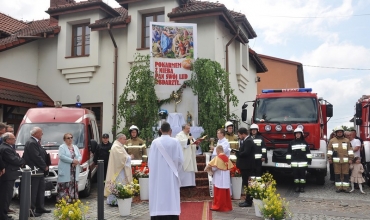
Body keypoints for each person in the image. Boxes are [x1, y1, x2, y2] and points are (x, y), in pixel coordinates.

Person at [149, 122, 184, 220]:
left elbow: (150, 162)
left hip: (158, 176)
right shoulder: (175, 142)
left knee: (158, 195)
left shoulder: (154, 142)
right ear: (170, 131)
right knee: (171, 197)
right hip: (171, 175)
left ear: (160, 130)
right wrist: (176, 170)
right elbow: (181, 159)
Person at [22, 127, 51, 216]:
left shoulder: (36, 142)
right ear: (35, 134)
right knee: (34, 191)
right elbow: (36, 156)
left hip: (39, 171)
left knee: (40, 189)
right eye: (41, 133)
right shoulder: (31, 142)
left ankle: (40, 207)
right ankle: (31, 210)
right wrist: (44, 165)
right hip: (35, 170)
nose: (42, 134)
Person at [0, 132, 24, 220]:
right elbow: (14, 160)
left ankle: (4, 213)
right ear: (7, 140)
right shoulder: (5, 148)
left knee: (7, 195)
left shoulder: (9, 147)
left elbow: (17, 156)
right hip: (7, 175)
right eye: (13, 138)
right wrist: (21, 161)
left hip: (10, 174)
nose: (15, 140)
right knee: (6, 195)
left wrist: (20, 160)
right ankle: (3, 215)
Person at [105, 134, 134, 205]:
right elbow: (121, 158)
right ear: (120, 139)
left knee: (121, 184)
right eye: (124, 139)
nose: (126, 140)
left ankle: (122, 199)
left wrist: (128, 157)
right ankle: (116, 201)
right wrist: (129, 157)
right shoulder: (116, 147)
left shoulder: (119, 146)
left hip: (120, 169)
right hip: (118, 171)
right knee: (118, 184)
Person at [205, 145, 233, 212]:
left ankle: (218, 206)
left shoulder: (218, 158)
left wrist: (210, 169)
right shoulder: (226, 158)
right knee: (226, 192)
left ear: (218, 151)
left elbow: (214, 167)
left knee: (219, 193)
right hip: (225, 178)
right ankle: (227, 206)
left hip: (219, 178)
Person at [327, 126, 354, 193]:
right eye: (338, 132)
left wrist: (351, 158)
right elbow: (329, 150)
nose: (339, 133)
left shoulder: (347, 140)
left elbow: (350, 150)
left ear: (343, 133)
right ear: (336, 133)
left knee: (345, 174)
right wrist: (330, 158)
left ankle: (345, 188)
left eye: (341, 132)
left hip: (346, 161)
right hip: (336, 161)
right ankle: (338, 188)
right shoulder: (332, 140)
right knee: (337, 174)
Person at [56, 133, 82, 203]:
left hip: (74, 171)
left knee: (73, 186)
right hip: (66, 171)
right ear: (64, 139)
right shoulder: (62, 147)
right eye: (68, 138)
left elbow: (79, 156)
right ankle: (64, 203)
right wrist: (72, 161)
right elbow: (62, 156)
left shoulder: (75, 147)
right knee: (65, 187)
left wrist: (77, 162)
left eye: (71, 137)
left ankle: (73, 202)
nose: (70, 139)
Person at [286, 128, 312, 193]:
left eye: (299, 134)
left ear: (301, 135)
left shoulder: (305, 143)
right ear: (295, 135)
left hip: (303, 163)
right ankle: (297, 187)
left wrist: (309, 160)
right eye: (296, 134)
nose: (298, 135)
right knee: (296, 176)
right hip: (294, 163)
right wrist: (288, 160)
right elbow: (289, 152)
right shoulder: (291, 143)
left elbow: (308, 152)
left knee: (303, 176)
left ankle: (302, 187)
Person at [234, 127, 255, 207]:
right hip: (245, 165)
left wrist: (238, 153)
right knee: (246, 183)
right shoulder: (246, 140)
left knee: (247, 183)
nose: (239, 137)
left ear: (243, 134)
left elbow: (246, 152)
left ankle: (248, 201)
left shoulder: (248, 141)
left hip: (247, 166)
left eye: (239, 135)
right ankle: (247, 199)